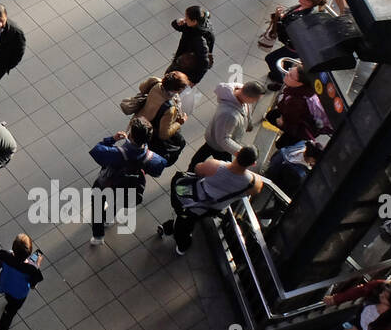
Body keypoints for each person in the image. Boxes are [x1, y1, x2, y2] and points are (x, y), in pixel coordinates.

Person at [158, 146, 263, 254]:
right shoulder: (252, 184)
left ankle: (180, 242)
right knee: (191, 218)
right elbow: (258, 188)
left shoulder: (214, 165)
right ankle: (171, 228)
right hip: (213, 208)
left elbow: (197, 169)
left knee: (185, 219)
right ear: (253, 164)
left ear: (236, 153)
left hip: (194, 199)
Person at [88, 117, 167, 245]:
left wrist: (112, 139)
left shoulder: (116, 153)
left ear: (130, 135)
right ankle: (108, 219)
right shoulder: (152, 158)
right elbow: (158, 170)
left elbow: (97, 151)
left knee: (97, 207)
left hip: (107, 184)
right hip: (130, 189)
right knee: (117, 203)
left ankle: (98, 236)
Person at [190, 80, 265, 169]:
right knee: (227, 167)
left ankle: (191, 169)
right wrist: (241, 152)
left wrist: (248, 124)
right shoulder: (229, 114)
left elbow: (247, 111)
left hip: (214, 139)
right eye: (255, 100)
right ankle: (191, 172)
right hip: (220, 147)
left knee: (201, 155)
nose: (255, 102)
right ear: (247, 97)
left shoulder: (241, 92)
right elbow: (223, 140)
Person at [259, 0, 327, 85]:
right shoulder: (304, 8)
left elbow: (285, 33)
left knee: (270, 59)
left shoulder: (301, 19)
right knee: (286, 62)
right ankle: (283, 72)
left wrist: (278, 18)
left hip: (294, 48)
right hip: (298, 47)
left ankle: (279, 80)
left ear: (309, 2)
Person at [0, 233, 43, 330]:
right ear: (29, 253)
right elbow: (33, 286)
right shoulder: (31, 269)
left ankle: (7, 304)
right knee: (9, 314)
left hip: (6, 286)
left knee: (8, 299)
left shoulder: (4, 255)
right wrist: (37, 265)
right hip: (19, 295)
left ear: (13, 247)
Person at [126, 70, 189, 165]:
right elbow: (163, 134)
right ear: (178, 90)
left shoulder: (155, 81)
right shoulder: (169, 108)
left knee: (131, 145)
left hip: (137, 120)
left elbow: (142, 88)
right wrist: (179, 122)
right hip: (148, 132)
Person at [266, 63, 328, 149]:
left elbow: (295, 126)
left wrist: (283, 124)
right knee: (270, 116)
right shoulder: (301, 90)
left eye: (291, 76)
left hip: (300, 129)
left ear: (300, 83)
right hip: (292, 118)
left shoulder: (297, 104)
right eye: (290, 70)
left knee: (280, 144)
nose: (287, 73)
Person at [167, 5, 215, 86]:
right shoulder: (199, 23)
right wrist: (177, 22)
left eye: (187, 18)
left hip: (186, 67)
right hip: (184, 59)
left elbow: (204, 62)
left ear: (194, 21)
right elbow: (177, 26)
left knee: (171, 81)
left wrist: (194, 81)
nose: (184, 20)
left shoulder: (199, 39)